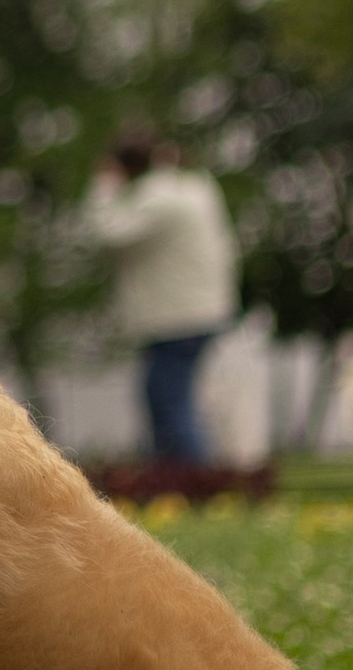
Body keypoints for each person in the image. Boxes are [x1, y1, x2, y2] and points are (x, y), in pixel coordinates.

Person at [85, 127, 239, 467]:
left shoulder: (159, 199)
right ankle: (180, 478)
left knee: (168, 400)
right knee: (167, 397)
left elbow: (108, 233)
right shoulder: (196, 187)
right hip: (200, 313)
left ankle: (194, 482)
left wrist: (105, 185)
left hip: (178, 318)